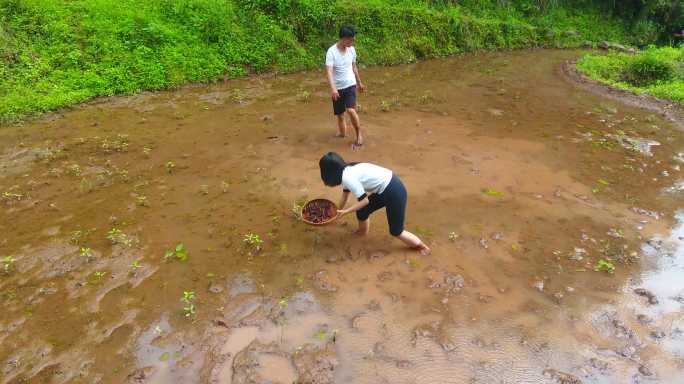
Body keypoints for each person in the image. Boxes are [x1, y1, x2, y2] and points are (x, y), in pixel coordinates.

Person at [319, 152, 431, 255]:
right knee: (362, 211)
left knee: (396, 231)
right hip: (386, 187)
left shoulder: (348, 178)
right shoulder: (346, 170)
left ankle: (422, 248)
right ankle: (362, 233)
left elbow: (364, 201)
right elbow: (345, 195)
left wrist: (346, 212)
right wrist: (337, 212)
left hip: (394, 191)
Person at [325, 26, 364, 149]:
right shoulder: (331, 52)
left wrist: (359, 82)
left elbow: (354, 67)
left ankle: (359, 134)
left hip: (350, 85)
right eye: (351, 40)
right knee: (340, 114)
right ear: (344, 39)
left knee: (351, 110)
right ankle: (342, 134)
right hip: (338, 88)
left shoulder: (351, 50)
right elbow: (329, 72)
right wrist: (333, 89)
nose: (352, 43)